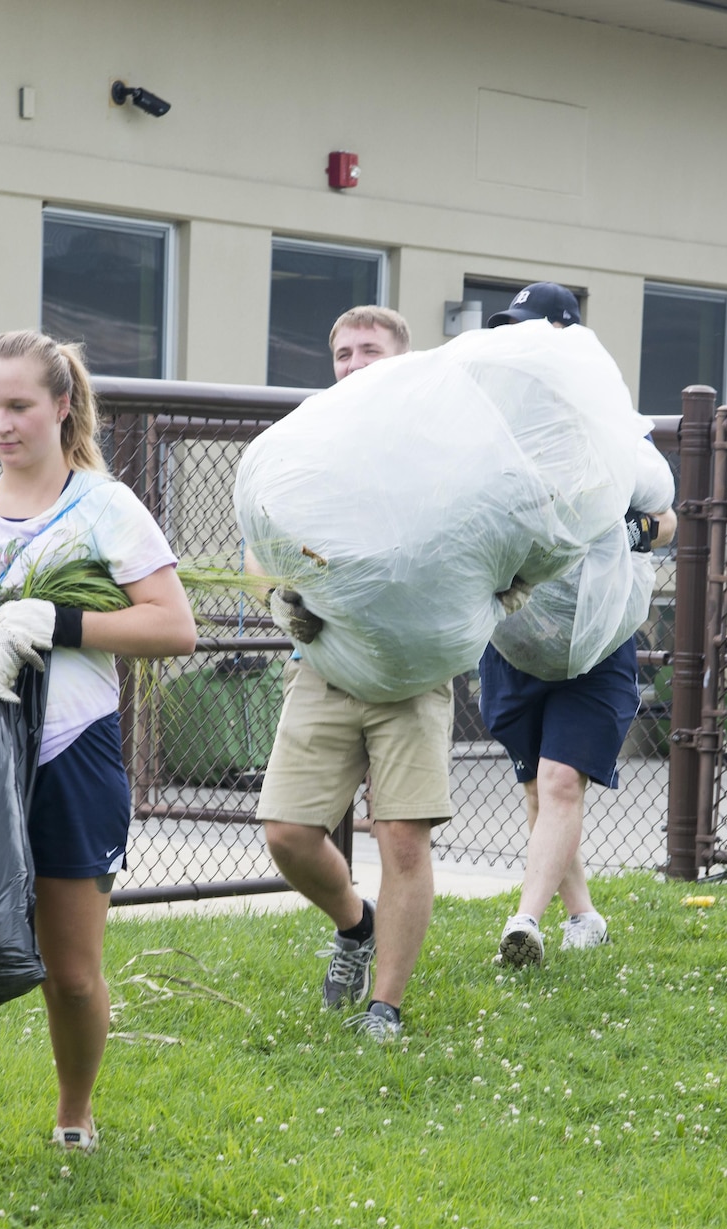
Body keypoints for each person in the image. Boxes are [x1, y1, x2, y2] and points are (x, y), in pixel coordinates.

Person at [0, 330, 194, 1201]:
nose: (1, 424)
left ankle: (75, 1112)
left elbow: (173, 626)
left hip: (72, 753)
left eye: (18, 405)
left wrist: (58, 624)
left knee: (71, 969)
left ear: (63, 405)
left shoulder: (106, 507)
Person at [256, 303, 452, 1046]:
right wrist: (280, 601)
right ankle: (355, 925)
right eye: (342, 354)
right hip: (325, 662)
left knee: (401, 837)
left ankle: (386, 1007)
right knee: (286, 833)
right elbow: (260, 538)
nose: (353, 365)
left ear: (403, 360)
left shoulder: (440, 447)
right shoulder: (306, 442)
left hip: (412, 669)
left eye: (369, 351)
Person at [478, 282, 678, 966]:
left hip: (597, 637)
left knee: (562, 782)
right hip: (517, 637)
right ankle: (582, 915)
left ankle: (525, 923)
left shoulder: (612, 423)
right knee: (541, 786)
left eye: (532, 328)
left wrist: (633, 528)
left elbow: (664, 516)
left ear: (566, 332)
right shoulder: (494, 422)